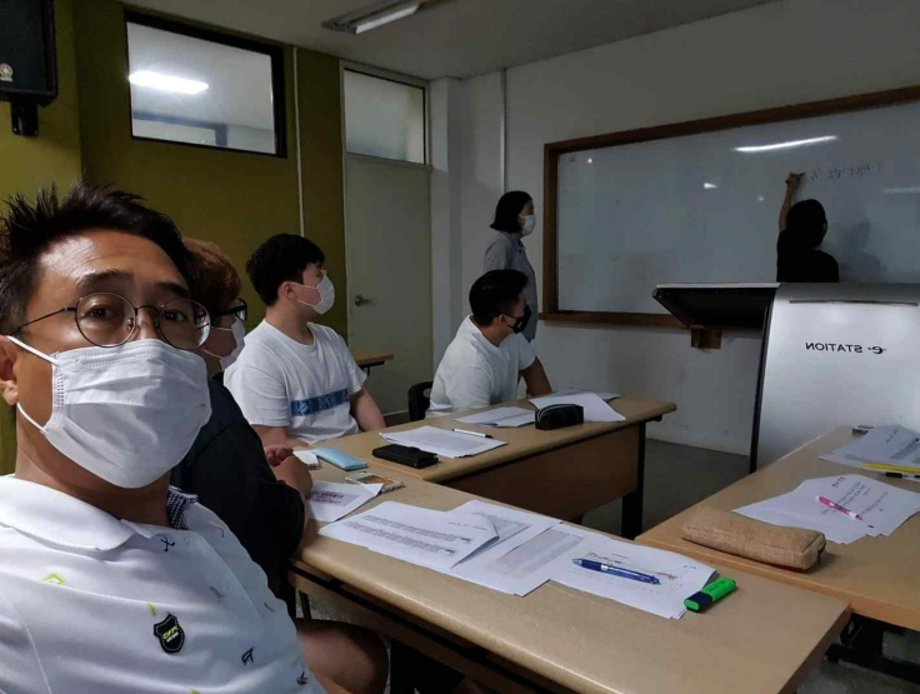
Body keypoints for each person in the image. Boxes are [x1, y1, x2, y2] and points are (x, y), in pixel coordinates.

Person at [0, 183, 345, 693]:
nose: (150, 345)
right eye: (99, 311)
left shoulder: (196, 521)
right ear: (9, 368)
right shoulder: (13, 594)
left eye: (173, 315)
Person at [175, 238, 388, 694]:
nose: (237, 326)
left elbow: (359, 399)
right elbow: (270, 528)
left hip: (346, 473)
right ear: (197, 321)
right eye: (232, 314)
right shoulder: (222, 395)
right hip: (216, 614)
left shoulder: (202, 403)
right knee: (365, 656)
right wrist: (293, 484)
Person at [225, 234, 385, 449]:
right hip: (315, 467)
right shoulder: (255, 358)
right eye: (318, 276)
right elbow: (274, 444)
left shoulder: (329, 337)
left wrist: (382, 442)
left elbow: (359, 396)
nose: (326, 283)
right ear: (289, 290)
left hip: (358, 457)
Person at [428, 270, 552, 415]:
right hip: (455, 431)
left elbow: (532, 368)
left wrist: (548, 411)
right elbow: (476, 424)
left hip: (498, 421)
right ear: (502, 319)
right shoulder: (468, 361)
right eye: (522, 308)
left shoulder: (510, 334)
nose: (526, 311)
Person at [484, 191, 539, 341]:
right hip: (509, 332)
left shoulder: (517, 246)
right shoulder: (501, 245)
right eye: (530, 210)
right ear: (514, 214)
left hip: (521, 331)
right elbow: (491, 291)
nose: (533, 216)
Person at [776, 173, 839, 282]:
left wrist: (789, 191)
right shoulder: (827, 264)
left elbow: (783, 224)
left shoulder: (787, 253)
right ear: (823, 228)